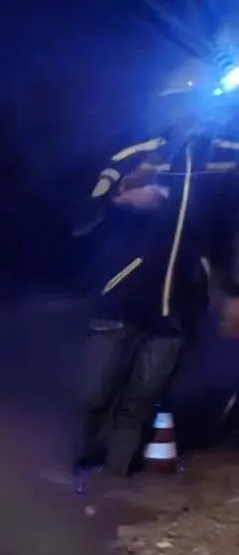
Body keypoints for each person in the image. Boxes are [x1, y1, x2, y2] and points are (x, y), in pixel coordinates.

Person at [72, 55, 239, 478]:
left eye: (197, 103)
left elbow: (231, 231)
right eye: (178, 102)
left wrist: (233, 293)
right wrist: (120, 200)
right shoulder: (133, 155)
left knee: (141, 401)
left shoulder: (228, 159)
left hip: (180, 306)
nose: (188, 112)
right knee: (93, 394)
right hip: (119, 297)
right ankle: (76, 477)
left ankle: (114, 484)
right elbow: (79, 218)